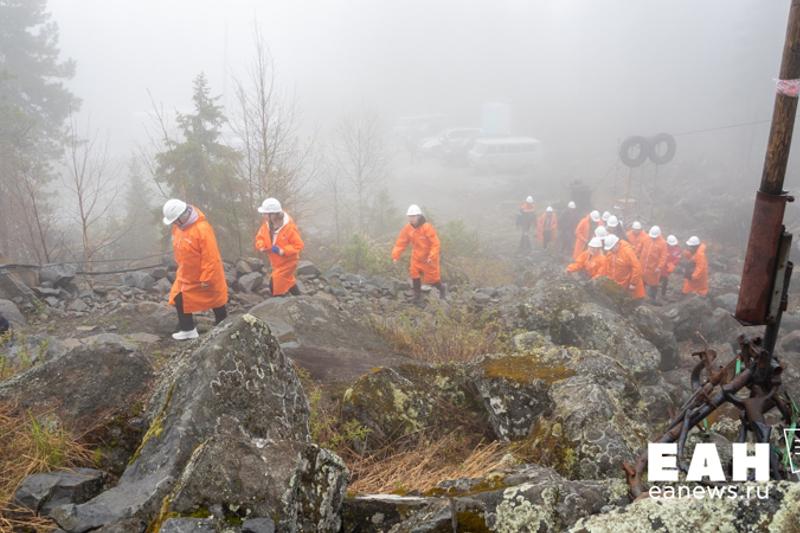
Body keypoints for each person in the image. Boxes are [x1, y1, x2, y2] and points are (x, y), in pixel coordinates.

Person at [162, 199, 228, 340]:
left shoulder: (202, 229)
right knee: (178, 296)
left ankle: (224, 327)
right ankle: (188, 329)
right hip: (186, 274)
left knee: (216, 299)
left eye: (174, 220)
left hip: (205, 274)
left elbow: (210, 256)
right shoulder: (178, 228)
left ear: (182, 216)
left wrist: (207, 277)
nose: (174, 223)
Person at [392, 204, 445, 303]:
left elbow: (435, 243)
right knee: (414, 273)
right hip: (416, 256)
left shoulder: (427, 227)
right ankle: (417, 295)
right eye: (409, 216)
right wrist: (396, 255)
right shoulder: (408, 228)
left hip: (428, 257)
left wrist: (432, 256)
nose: (411, 219)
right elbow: (401, 242)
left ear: (419, 216)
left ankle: (441, 289)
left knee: (432, 278)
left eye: (413, 216)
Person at [255, 197, 305, 297]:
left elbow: (298, 245)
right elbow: (260, 237)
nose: (263, 215)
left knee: (275, 285)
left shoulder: (289, 228)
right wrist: (261, 246)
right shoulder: (267, 225)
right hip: (276, 262)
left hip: (289, 262)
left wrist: (282, 251)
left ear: (273, 214)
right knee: (287, 280)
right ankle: (300, 298)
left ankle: (278, 302)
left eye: (265, 213)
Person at [600, 233, 645, 299]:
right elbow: (607, 267)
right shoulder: (610, 253)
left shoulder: (627, 252)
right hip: (617, 285)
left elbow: (637, 268)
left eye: (611, 248)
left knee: (632, 301)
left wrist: (633, 283)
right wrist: (603, 279)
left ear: (617, 244)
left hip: (629, 286)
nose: (610, 250)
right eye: (609, 249)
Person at [639, 226, 668, 300]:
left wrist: (659, 267)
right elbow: (640, 247)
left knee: (653, 284)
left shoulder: (663, 243)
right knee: (642, 281)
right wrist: (636, 255)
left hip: (654, 268)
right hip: (643, 265)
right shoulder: (646, 238)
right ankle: (640, 296)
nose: (653, 238)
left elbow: (663, 256)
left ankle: (652, 298)